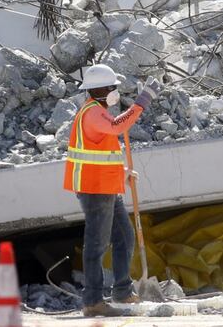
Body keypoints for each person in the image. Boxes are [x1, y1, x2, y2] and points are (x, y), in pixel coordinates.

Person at [63, 64, 161, 317]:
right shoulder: (93, 112)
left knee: (124, 237)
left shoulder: (97, 111)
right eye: (111, 87)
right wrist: (142, 101)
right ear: (98, 89)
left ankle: (121, 290)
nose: (114, 91)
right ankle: (93, 301)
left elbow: (102, 153)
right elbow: (118, 127)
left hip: (106, 186)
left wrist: (122, 174)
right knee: (96, 245)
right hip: (95, 190)